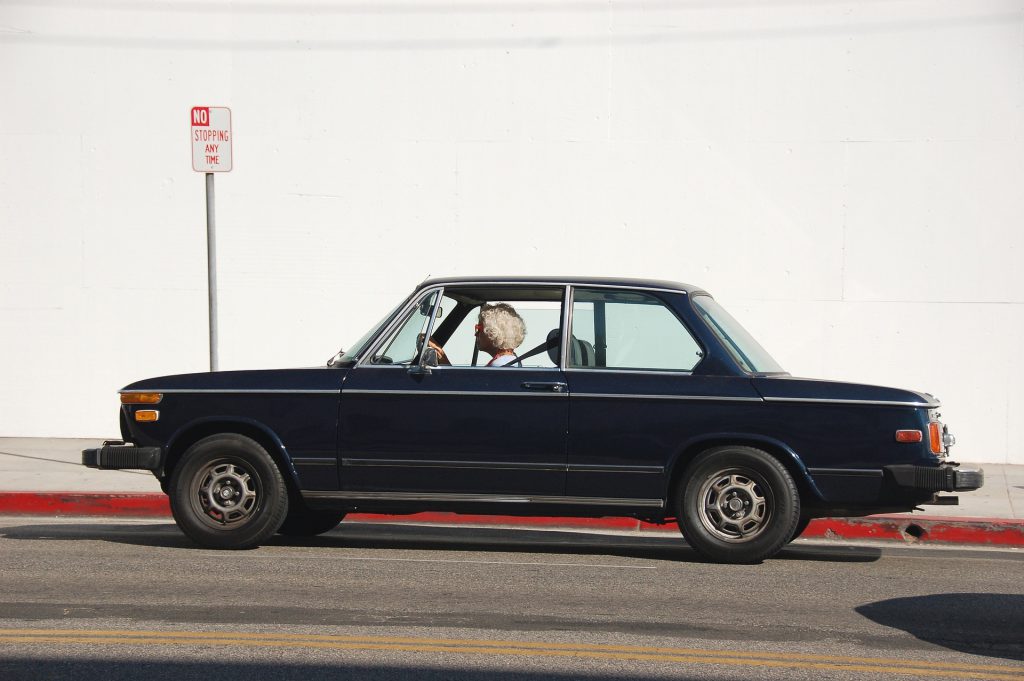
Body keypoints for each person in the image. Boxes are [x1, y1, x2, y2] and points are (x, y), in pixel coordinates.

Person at [476, 302, 526, 366]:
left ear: (492, 333)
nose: (476, 333)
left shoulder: (499, 365)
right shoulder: (510, 360)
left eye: (479, 328)